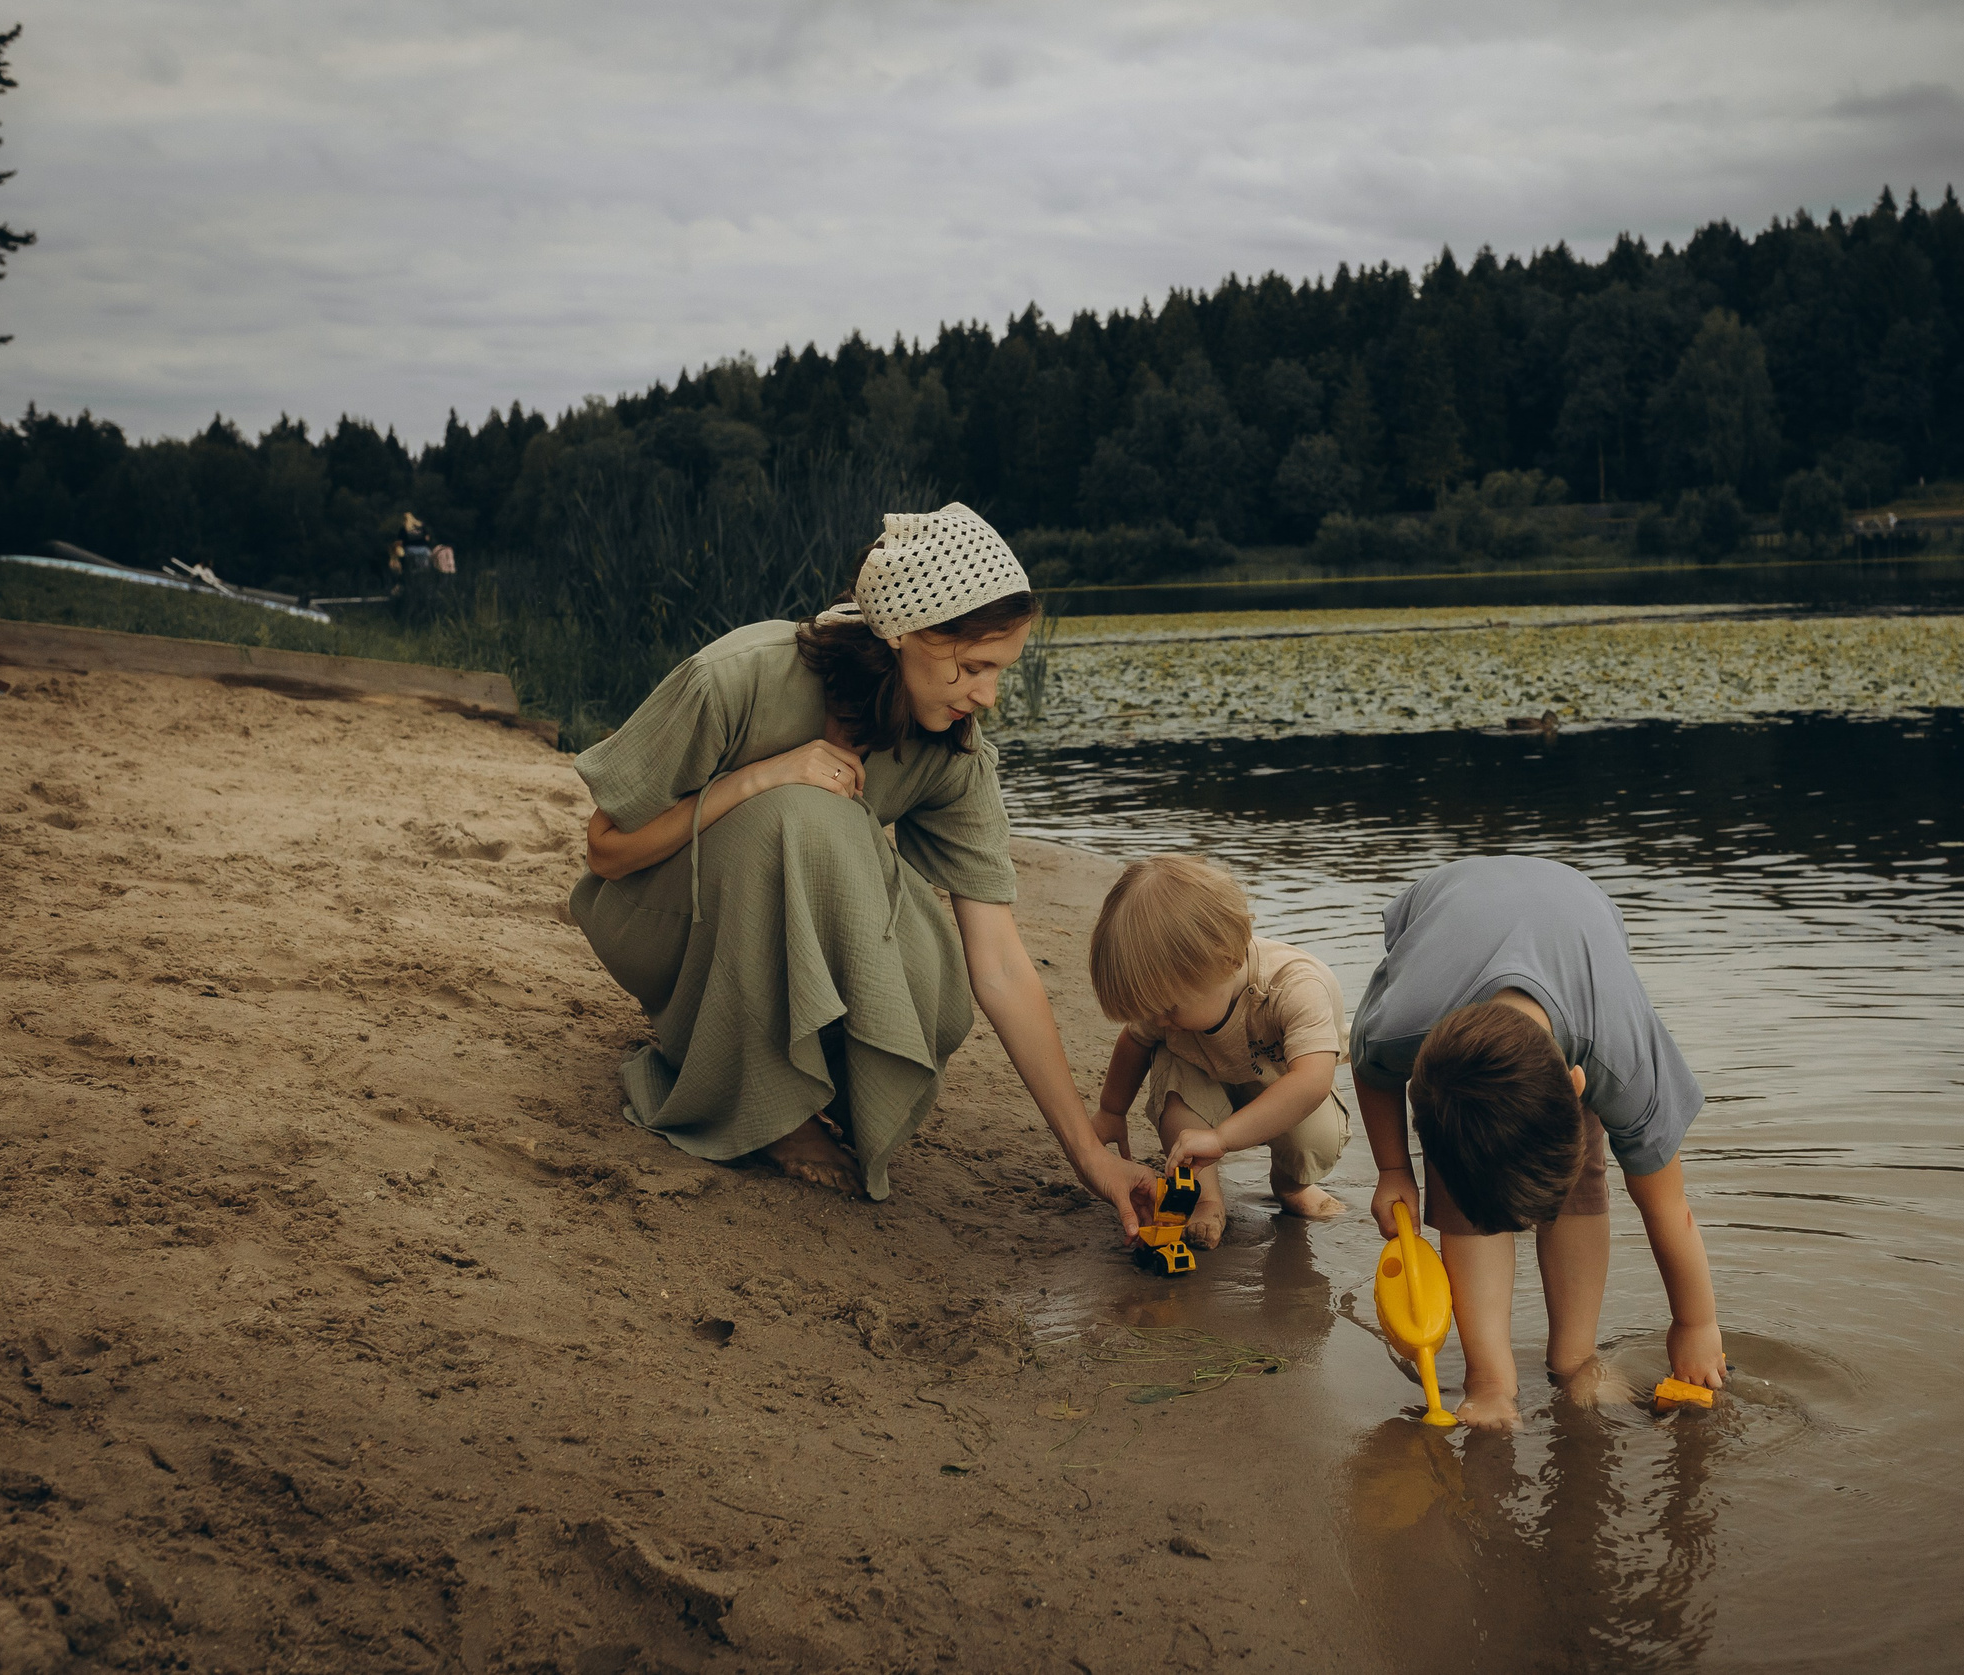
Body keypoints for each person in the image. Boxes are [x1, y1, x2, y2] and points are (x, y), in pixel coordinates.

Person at [567, 502, 1160, 1233]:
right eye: (973, 666)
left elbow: (1000, 962)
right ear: (906, 633)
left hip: (767, 901)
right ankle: (772, 1107)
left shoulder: (953, 749)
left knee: (937, 985)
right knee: (804, 814)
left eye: (1001, 670)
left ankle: (827, 1086)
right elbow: (604, 851)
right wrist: (760, 778)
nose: (988, 694)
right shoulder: (739, 675)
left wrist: (1088, 1156)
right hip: (657, 916)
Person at [1353, 855, 1725, 1429]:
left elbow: (1669, 1209)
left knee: (1575, 1178)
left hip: (1578, 923)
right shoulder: (1402, 1022)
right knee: (1469, 1168)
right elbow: (1371, 1067)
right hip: (1443, 923)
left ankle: (1575, 1358)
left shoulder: (1619, 1059)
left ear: (1578, 1085)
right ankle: (1491, 1378)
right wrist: (1394, 1169)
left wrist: (1695, 1325)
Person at [1086, 855, 1351, 1246]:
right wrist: (1111, 1110)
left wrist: (1224, 1138)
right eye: (1152, 1011)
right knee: (1175, 1088)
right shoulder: (1167, 998)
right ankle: (1207, 1198)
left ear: (1227, 961)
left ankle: (1290, 1185)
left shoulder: (1294, 987)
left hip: (1283, 1085)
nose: (1158, 1020)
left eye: (1168, 1009)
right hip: (1202, 1074)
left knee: (1316, 1136)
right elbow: (1135, 1041)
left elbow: (1312, 1081)